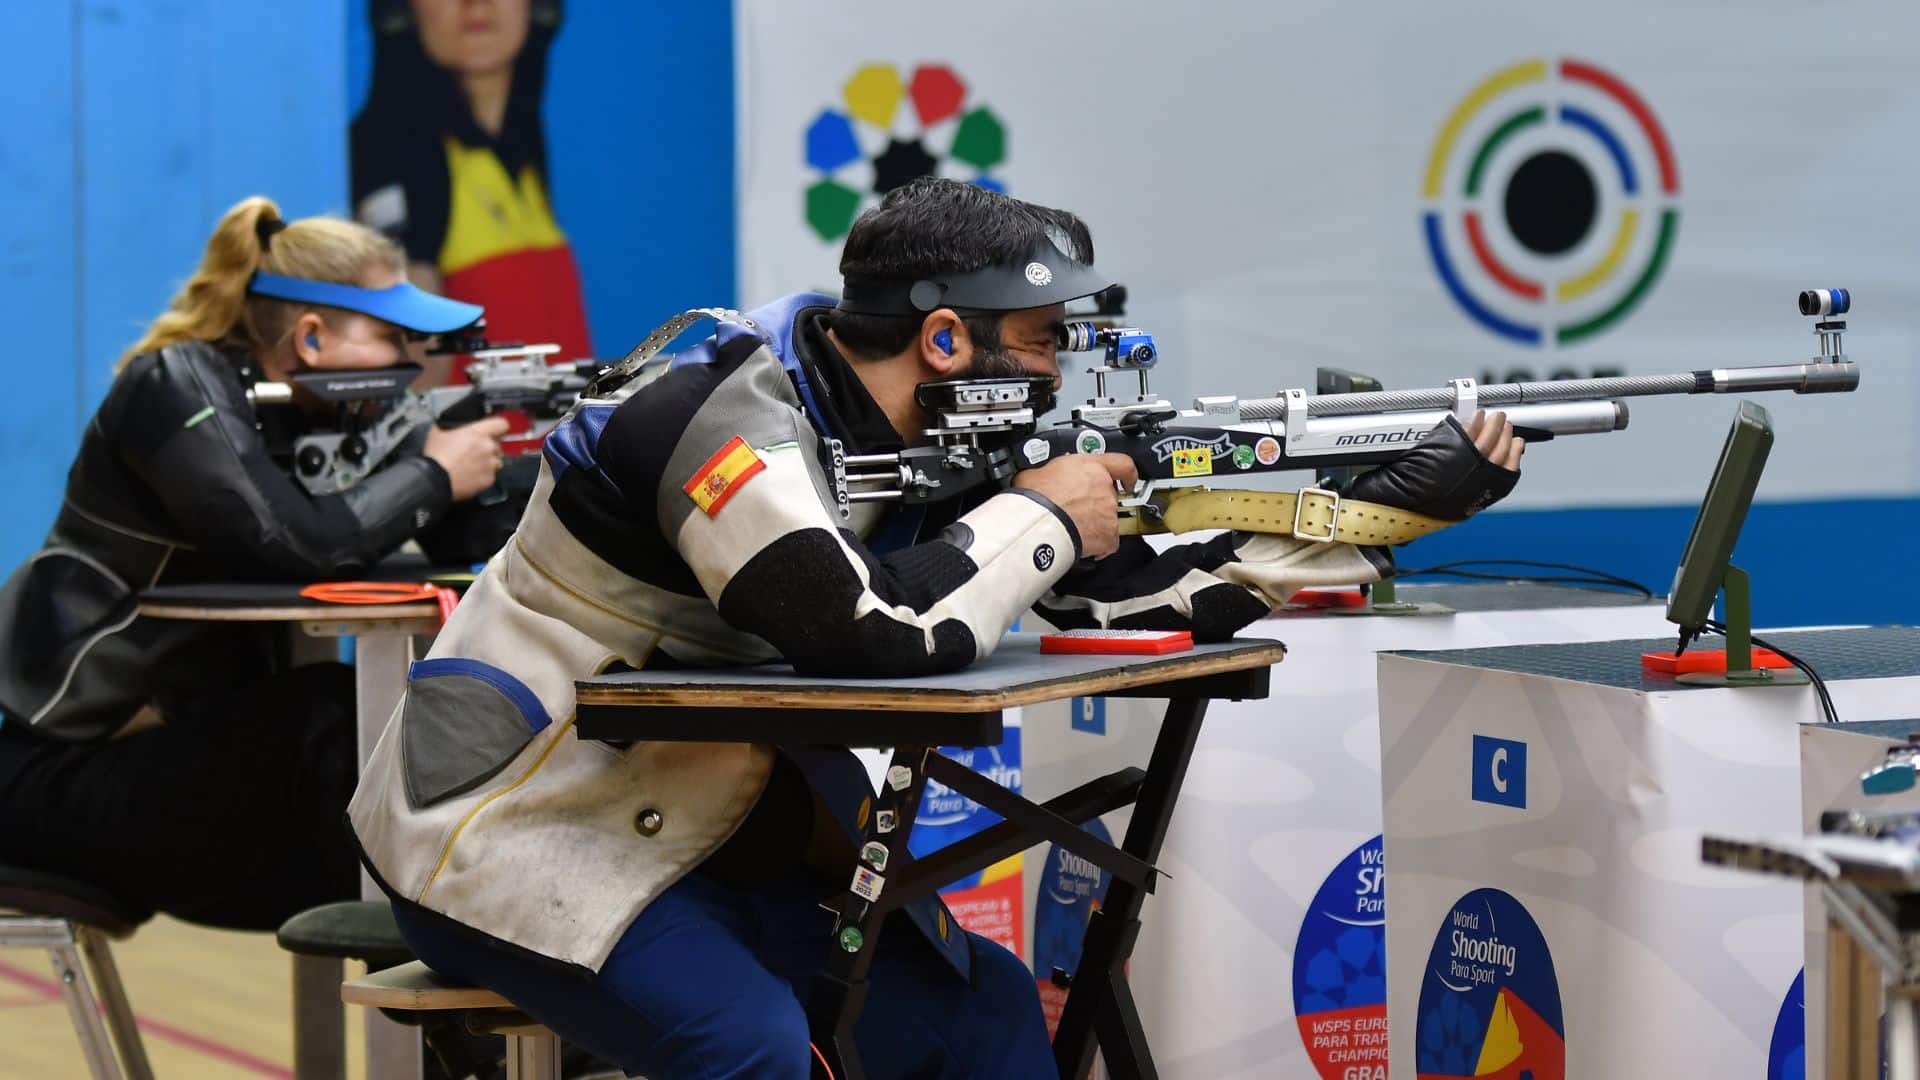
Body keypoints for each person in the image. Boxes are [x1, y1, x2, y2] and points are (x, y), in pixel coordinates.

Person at [350, 177, 1525, 1078]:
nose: (1062, 367)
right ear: (947, 339)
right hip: (513, 826)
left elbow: (1105, 595)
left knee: (989, 1012)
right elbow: (863, 632)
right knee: (753, 1046)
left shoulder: (922, 431)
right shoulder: (713, 413)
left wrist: (1372, 517)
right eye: (1042, 338)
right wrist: (1037, 512)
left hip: (705, 827)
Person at [0, 195, 510, 930]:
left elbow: (443, 547)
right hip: (49, 777)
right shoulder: (174, 385)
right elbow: (296, 543)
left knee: (390, 732)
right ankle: (461, 1018)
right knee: (335, 721)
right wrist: (431, 474)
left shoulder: (317, 418)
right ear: (309, 337)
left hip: (160, 769)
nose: (413, 361)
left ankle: (480, 1003)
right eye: (392, 336)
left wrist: (466, 478)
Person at [351, 0, 593, 378]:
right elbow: (414, 380)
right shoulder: (387, 153)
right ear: (400, 11)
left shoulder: (519, 154)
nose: (476, 5)